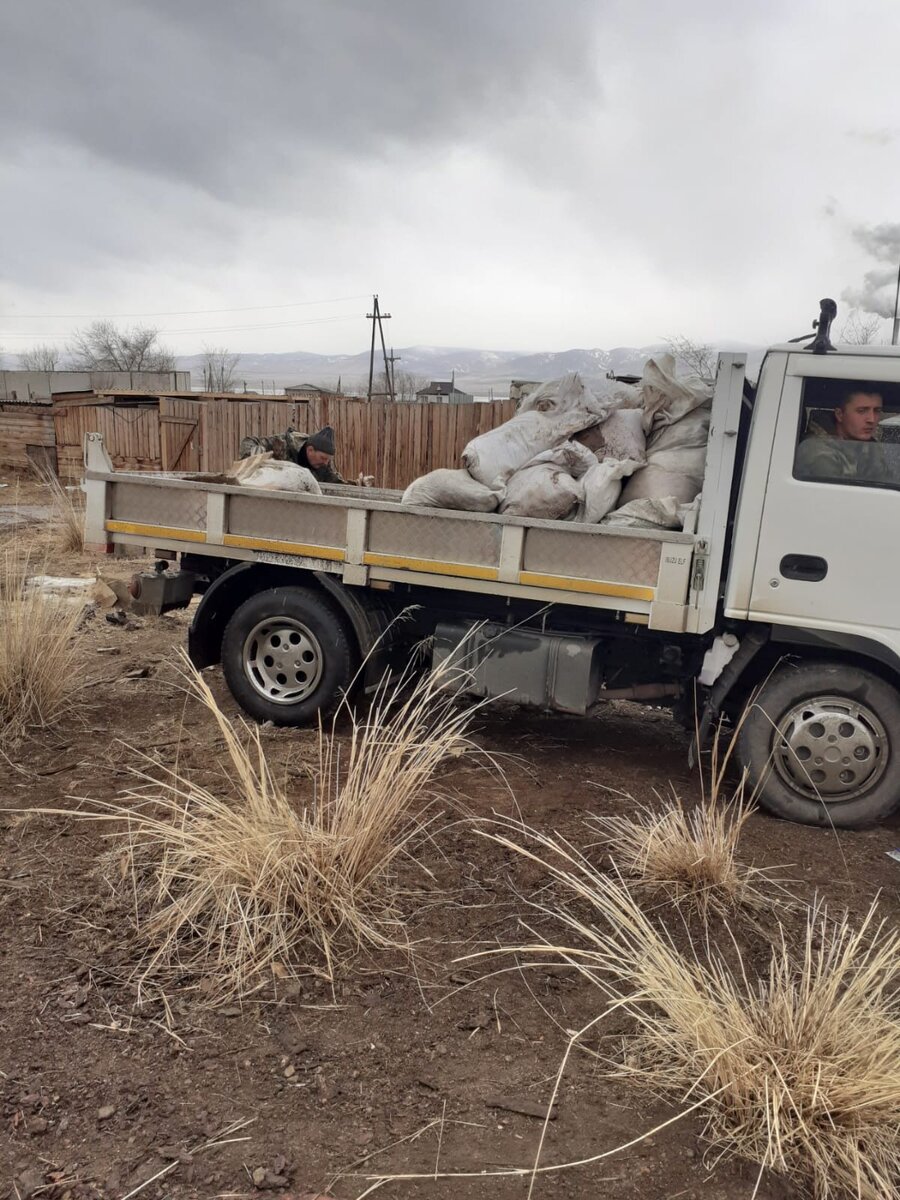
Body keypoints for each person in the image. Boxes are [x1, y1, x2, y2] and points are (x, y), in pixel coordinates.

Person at [794, 387, 891, 483]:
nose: (871, 419)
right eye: (861, 411)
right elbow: (837, 496)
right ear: (840, 415)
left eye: (877, 411)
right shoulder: (817, 450)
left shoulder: (870, 448)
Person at [238, 425, 345, 484]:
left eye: (328, 460)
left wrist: (357, 484)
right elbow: (249, 441)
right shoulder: (282, 444)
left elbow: (337, 484)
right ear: (310, 450)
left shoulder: (323, 465)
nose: (326, 463)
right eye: (323, 458)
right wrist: (255, 456)